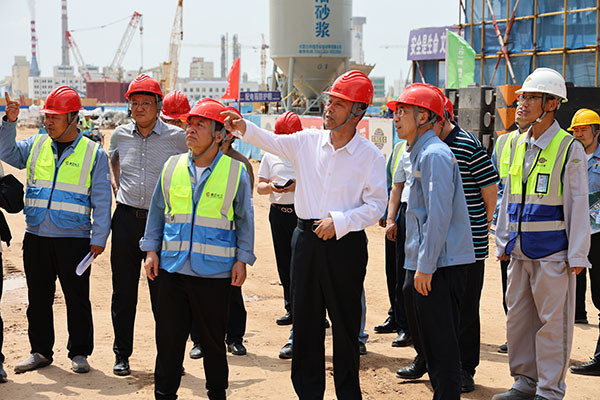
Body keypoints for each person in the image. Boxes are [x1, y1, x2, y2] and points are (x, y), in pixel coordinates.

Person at [223, 70, 387, 399]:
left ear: (358, 111)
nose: (329, 108)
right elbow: (271, 141)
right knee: (307, 322)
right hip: (306, 242)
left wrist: (340, 222)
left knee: (345, 324)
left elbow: (376, 206)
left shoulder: (370, 156)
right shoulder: (307, 142)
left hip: (345, 245)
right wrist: (243, 127)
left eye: (339, 104)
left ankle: (348, 393)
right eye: (330, 101)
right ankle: (308, 393)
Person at [140, 98, 255, 400]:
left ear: (219, 134)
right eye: (189, 124)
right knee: (168, 342)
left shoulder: (235, 172)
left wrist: (242, 259)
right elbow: (157, 212)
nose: (190, 129)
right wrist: (151, 251)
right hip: (172, 269)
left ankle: (217, 393)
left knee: (213, 344)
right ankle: (164, 395)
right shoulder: (172, 166)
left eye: (200, 124)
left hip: (214, 274)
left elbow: (245, 220)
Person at [493, 68, 590, 400]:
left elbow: (578, 202)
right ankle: (524, 382)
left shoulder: (568, 147)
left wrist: (577, 254)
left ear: (551, 104)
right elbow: (508, 195)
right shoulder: (515, 144)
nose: (521, 103)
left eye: (531, 97)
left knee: (553, 325)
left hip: (553, 252)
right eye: (522, 96)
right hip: (519, 251)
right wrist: (502, 240)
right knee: (518, 321)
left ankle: (549, 390)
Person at [0, 87, 112, 374]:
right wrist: (9, 122)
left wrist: (99, 237)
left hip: (74, 239)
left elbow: (102, 200)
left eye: (55, 117)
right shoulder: (36, 144)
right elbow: (6, 152)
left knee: (77, 298)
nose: (48, 122)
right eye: (47, 116)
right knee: (38, 298)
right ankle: (40, 351)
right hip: (36, 235)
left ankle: (80, 353)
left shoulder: (93, 153)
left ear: (73, 118)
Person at [389, 83, 474, 399]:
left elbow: (439, 215)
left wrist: (425, 267)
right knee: (432, 344)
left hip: (440, 265)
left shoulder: (435, 154)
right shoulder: (419, 152)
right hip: (428, 263)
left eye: (402, 111)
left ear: (423, 116)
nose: (395, 117)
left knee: (442, 349)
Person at [109, 74, 188, 376]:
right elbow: (113, 160)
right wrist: (118, 187)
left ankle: (170, 359)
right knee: (123, 293)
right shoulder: (119, 134)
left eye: (145, 102)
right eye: (134, 102)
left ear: (158, 105)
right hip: (125, 220)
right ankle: (121, 355)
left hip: (162, 224)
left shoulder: (176, 138)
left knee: (165, 296)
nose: (139, 108)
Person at [436, 92, 499, 392]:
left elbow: (490, 188)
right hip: (439, 244)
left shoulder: (468, 145)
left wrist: (480, 226)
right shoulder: (427, 145)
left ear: (439, 118)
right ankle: (433, 360)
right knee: (438, 306)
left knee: (465, 309)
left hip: (469, 245)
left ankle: (464, 368)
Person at [257, 111, 302, 327]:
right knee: (284, 263)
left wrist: (297, 186)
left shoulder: (304, 155)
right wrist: (271, 187)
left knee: (305, 264)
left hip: (301, 214)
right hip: (278, 214)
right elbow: (260, 186)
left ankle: (314, 311)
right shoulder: (270, 155)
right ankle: (291, 308)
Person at [568, 108, 600, 376]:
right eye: (575, 130)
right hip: (574, 234)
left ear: (596, 131)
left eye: (584, 130)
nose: (578, 134)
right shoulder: (569, 156)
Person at [375, 139, 410, 346]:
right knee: (393, 272)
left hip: (410, 221)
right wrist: (387, 215)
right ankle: (395, 315)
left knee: (405, 274)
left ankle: (406, 325)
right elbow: (390, 183)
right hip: (395, 219)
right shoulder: (399, 148)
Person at [491, 126, 523, 354]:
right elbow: (494, 183)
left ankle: (529, 339)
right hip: (507, 221)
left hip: (536, 227)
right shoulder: (503, 143)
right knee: (509, 286)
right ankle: (514, 336)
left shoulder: (554, 144)